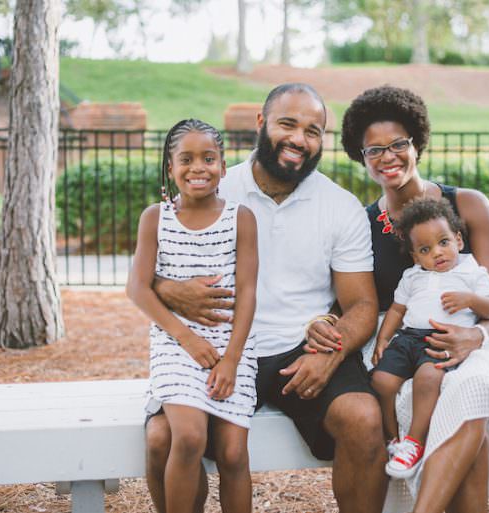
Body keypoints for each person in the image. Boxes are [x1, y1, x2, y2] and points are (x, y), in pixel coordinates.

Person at [145, 84, 387, 513]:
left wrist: (331, 353)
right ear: (261, 124)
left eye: (313, 131)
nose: (299, 139)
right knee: (163, 437)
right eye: (288, 124)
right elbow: (158, 261)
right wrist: (165, 288)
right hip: (221, 345)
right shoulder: (216, 183)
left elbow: (362, 306)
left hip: (302, 347)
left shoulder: (340, 206)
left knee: (364, 419)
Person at [310, 85, 489, 513]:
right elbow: (350, 301)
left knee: (475, 388)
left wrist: (478, 336)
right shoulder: (360, 224)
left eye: (398, 144)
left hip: (473, 338)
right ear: (361, 157)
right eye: (373, 149)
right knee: (434, 406)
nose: (388, 157)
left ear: (417, 142)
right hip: (399, 345)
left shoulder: (467, 205)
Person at [126, 119, 259, 513]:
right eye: (186, 159)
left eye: (208, 158)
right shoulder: (155, 218)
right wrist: (188, 338)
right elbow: (138, 287)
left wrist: (232, 359)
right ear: (170, 168)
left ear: (222, 166)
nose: (197, 167)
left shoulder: (241, 218)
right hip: (176, 344)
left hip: (232, 346)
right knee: (187, 437)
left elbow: (249, 291)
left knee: (234, 454)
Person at [370, 197, 489, 479]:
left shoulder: (471, 271)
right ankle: (393, 441)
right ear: (416, 256)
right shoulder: (412, 276)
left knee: (428, 378)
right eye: (425, 250)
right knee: (381, 380)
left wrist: (471, 300)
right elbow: (396, 309)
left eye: (444, 242)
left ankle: (414, 442)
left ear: (459, 240)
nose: (437, 253)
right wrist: (383, 339)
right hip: (407, 338)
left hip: (440, 340)